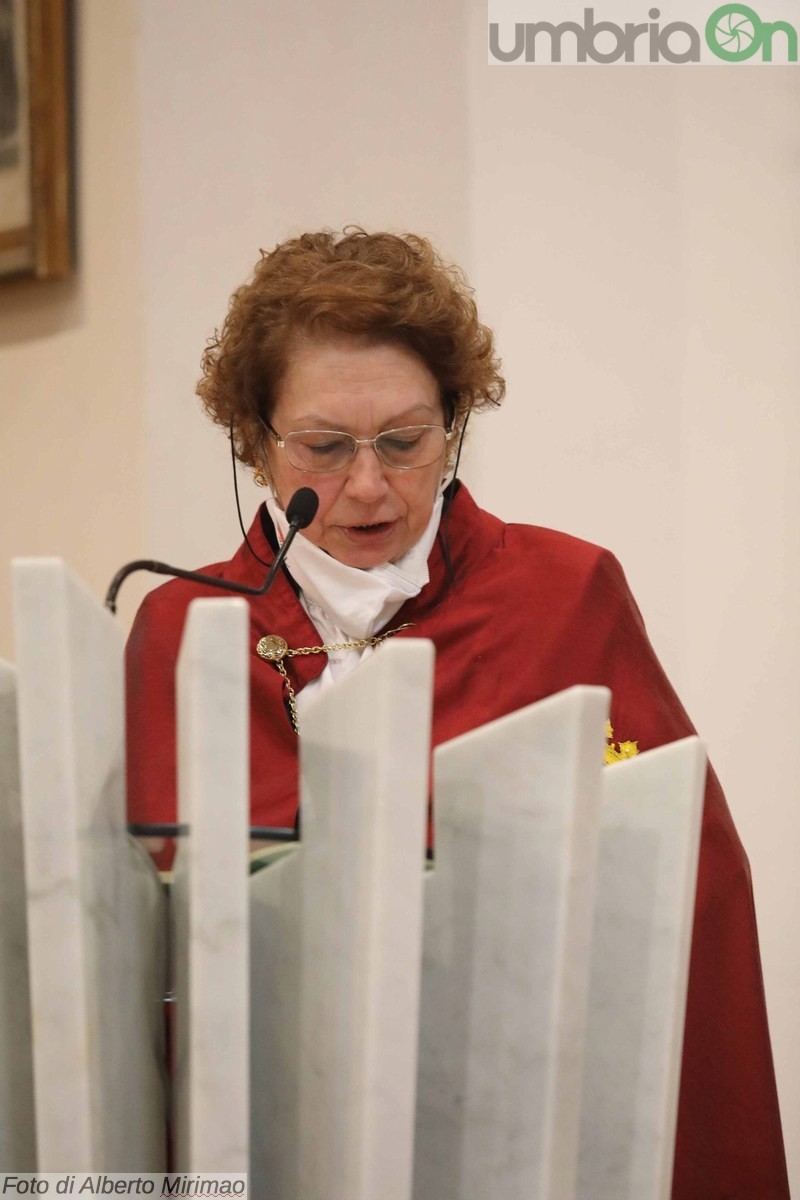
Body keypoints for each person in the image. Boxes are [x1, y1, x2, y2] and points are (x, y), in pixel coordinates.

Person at [125, 227, 789, 1198]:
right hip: (273, 1143)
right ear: (252, 442)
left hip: (521, 1142)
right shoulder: (183, 627)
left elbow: (682, 903)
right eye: (322, 445)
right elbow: (142, 951)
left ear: (455, 424)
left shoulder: (563, 593)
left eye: (404, 441)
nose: (365, 485)